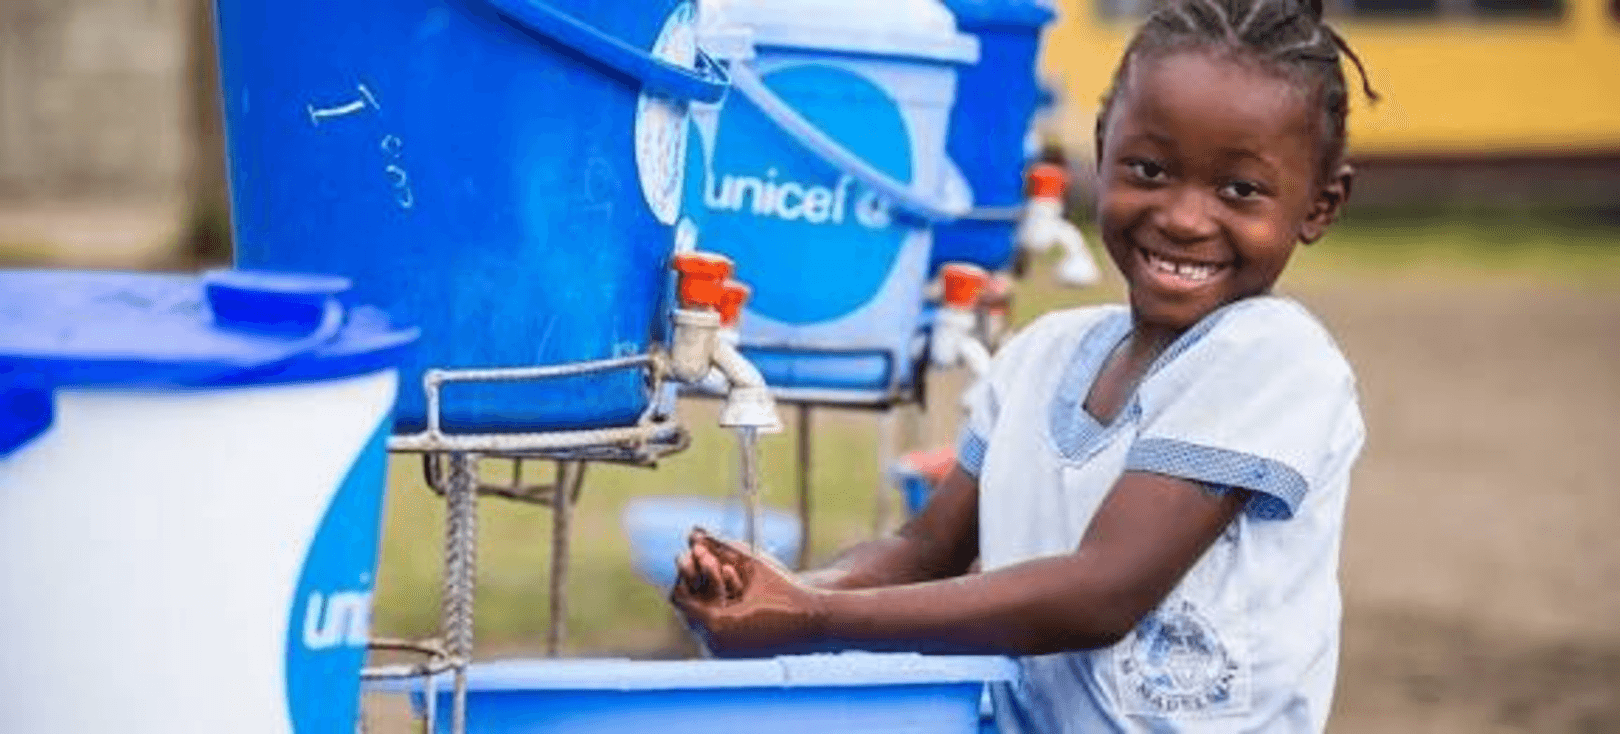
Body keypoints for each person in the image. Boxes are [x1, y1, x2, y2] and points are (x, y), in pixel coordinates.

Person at [671, 0, 1379, 729]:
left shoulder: (1270, 358)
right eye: (1149, 169)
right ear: (1101, 151)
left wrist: (815, 617)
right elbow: (922, 550)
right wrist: (778, 588)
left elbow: (1104, 590)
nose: (1184, 216)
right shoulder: (1042, 355)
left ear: (1320, 206)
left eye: (1239, 190)